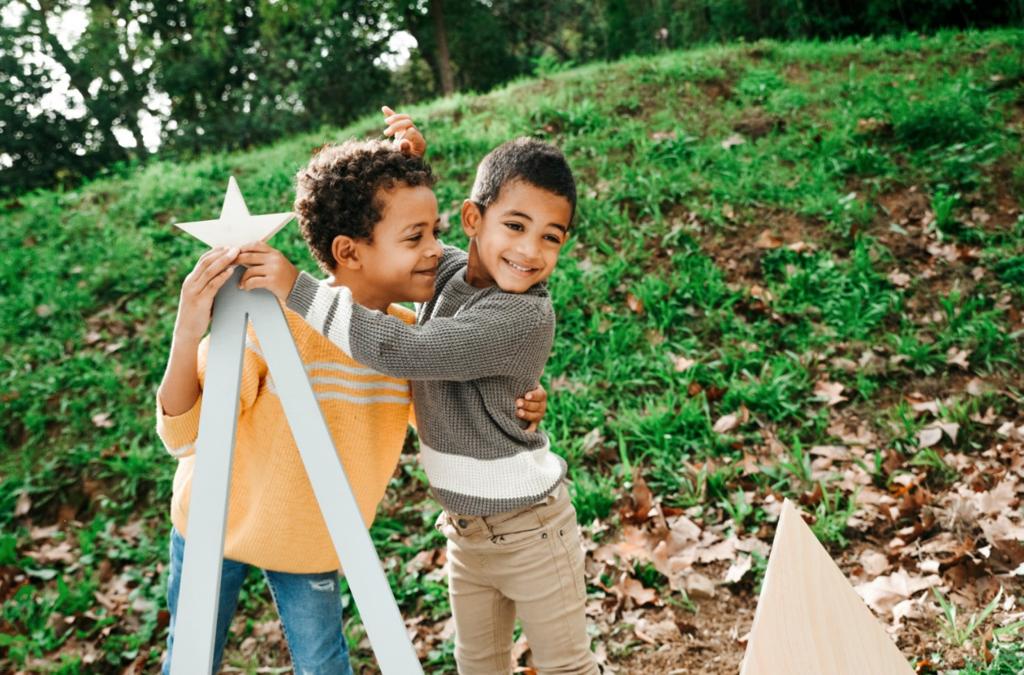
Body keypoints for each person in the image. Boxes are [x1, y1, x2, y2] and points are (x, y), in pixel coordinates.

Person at [154, 112, 548, 673]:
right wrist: (188, 328)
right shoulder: (279, 323)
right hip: (216, 521)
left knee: (324, 663)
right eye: (417, 236)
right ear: (349, 251)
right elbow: (185, 432)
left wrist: (519, 404)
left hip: (311, 539)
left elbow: (450, 417)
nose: (438, 250)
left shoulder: (409, 342)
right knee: (190, 660)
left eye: (436, 230)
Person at [247, 120, 598, 673]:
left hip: (532, 530)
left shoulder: (524, 315)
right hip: (466, 533)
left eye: (551, 236)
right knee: (477, 665)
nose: (529, 251)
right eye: (515, 225)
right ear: (472, 219)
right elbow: (396, 241)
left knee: (566, 667)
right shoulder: (452, 269)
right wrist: (399, 166)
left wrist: (296, 288)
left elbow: (403, 350)